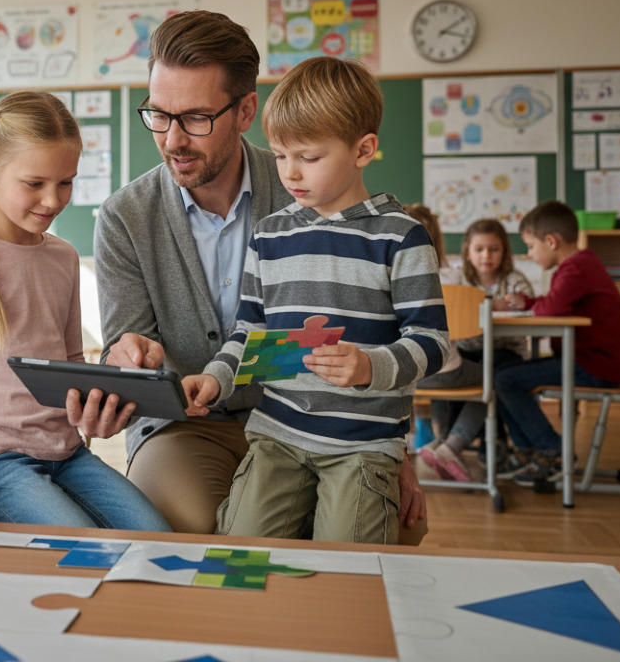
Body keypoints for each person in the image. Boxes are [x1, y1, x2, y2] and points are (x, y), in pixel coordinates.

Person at [76, 9, 429, 540]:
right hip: (185, 426)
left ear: (245, 111)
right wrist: (123, 366)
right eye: (159, 115)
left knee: (395, 529)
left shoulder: (310, 183)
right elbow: (126, 347)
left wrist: (389, 443)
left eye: (196, 117)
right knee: (185, 526)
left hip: (311, 417)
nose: (173, 139)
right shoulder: (125, 216)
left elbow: (378, 325)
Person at [180, 56, 448, 544]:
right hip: (277, 435)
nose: (290, 173)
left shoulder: (400, 237)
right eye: (281, 155)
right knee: (238, 552)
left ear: (363, 150)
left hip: (362, 444)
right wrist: (216, 378)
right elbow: (251, 333)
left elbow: (432, 342)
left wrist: (369, 366)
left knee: (346, 563)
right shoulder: (270, 235)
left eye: (308, 157)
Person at [0, 91, 171, 534]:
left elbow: (70, 365)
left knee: (156, 536)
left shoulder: (63, 257)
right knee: (82, 545)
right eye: (34, 184)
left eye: (65, 183)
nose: (52, 200)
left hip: (67, 453)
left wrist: (100, 404)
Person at [493, 200, 620, 485]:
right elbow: (551, 303)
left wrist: (533, 305)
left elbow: (551, 309)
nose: (529, 254)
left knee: (505, 380)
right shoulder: (580, 265)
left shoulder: (576, 268)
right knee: (501, 376)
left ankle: (551, 451)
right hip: (589, 361)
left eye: (531, 246)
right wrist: (528, 302)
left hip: (593, 367)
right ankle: (531, 452)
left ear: (551, 241)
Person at [408, 211, 535, 482]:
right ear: (467, 251)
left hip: (503, 351)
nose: (486, 255)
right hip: (467, 353)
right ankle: (447, 443)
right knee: (466, 373)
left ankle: (457, 443)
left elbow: (528, 307)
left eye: (494, 249)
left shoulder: (514, 280)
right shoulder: (459, 279)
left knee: (492, 372)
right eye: (479, 249)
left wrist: (519, 302)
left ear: (505, 251)